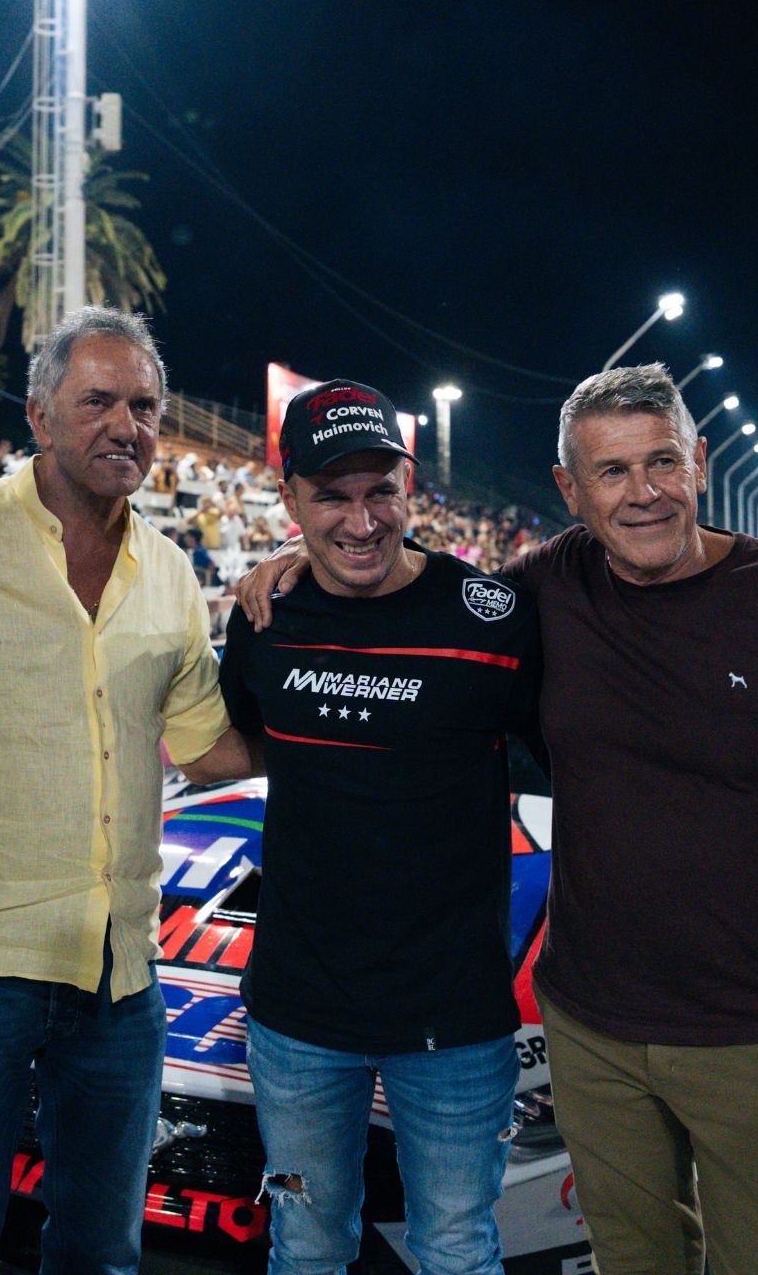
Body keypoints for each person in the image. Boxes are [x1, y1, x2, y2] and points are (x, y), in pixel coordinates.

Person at [241, 365, 758, 1275]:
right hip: (592, 1028)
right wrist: (298, 567)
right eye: (611, 471)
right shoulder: (543, 587)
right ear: (570, 489)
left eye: (662, 462)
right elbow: (411, 596)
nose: (643, 492)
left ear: (700, 463)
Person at [0, 306, 250, 1275]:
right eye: (98, 401)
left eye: (144, 406)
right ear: (40, 414)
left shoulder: (170, 572)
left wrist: (352, 702)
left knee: (102, 1252)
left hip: (120, 976)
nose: (126, 425)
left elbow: (207, 749)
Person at [218, 379, 540, 1273]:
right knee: (305, 1244)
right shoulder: (265, 618)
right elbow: (235, 739)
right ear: (289, 499)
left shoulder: (492, 619)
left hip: (456, 1022)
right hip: (298, 1019)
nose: (361, 522)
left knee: (457, 1250)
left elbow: (571, 756)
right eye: (332, 496)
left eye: (381, 492)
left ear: (410, 489)